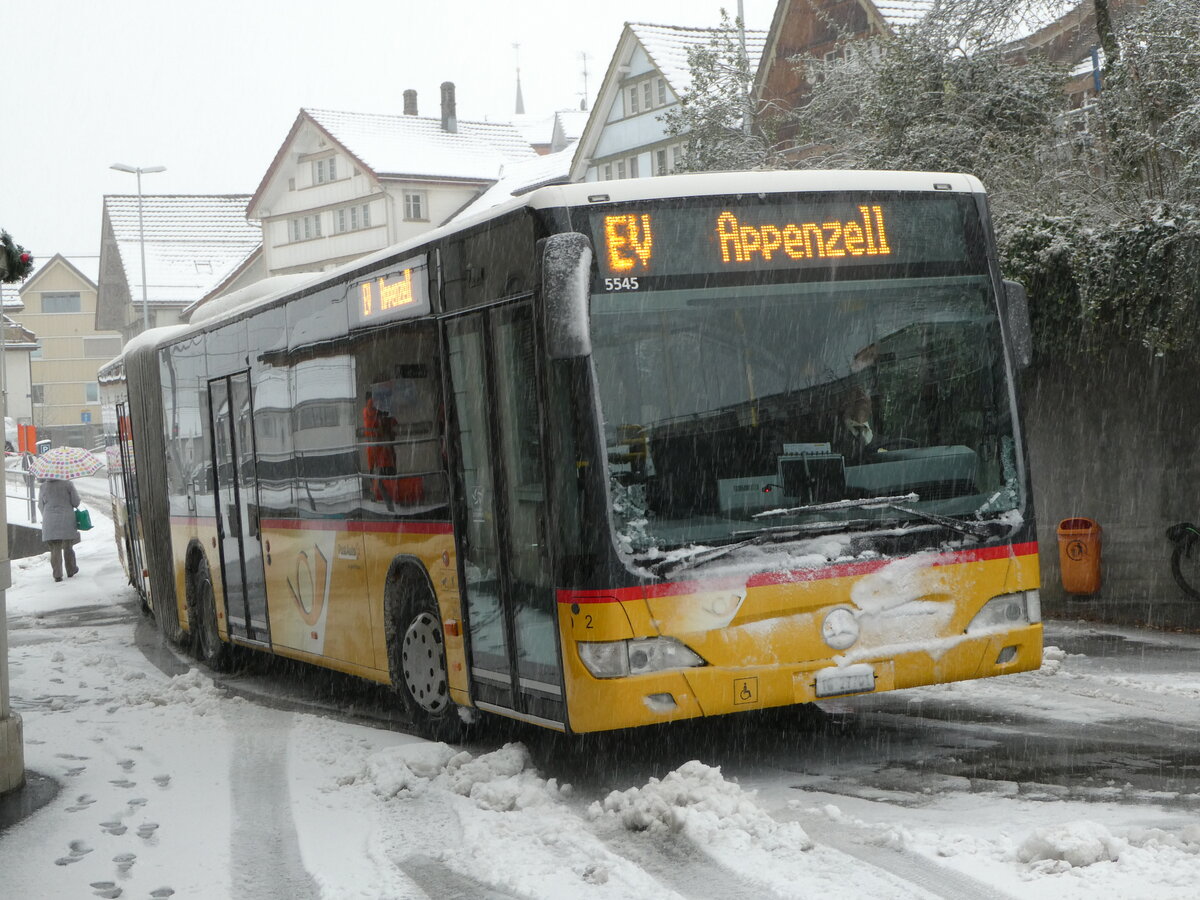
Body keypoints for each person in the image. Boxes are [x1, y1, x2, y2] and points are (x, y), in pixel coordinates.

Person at [39, 477, 81, 582]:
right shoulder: (68, 484)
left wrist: (46, 515)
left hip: (49, 520)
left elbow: (40, 505)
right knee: (68, 545)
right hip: (66, 519)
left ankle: (57, 574)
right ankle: (71, 569)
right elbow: (76, 502)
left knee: (54, 547)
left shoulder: (43, 486)